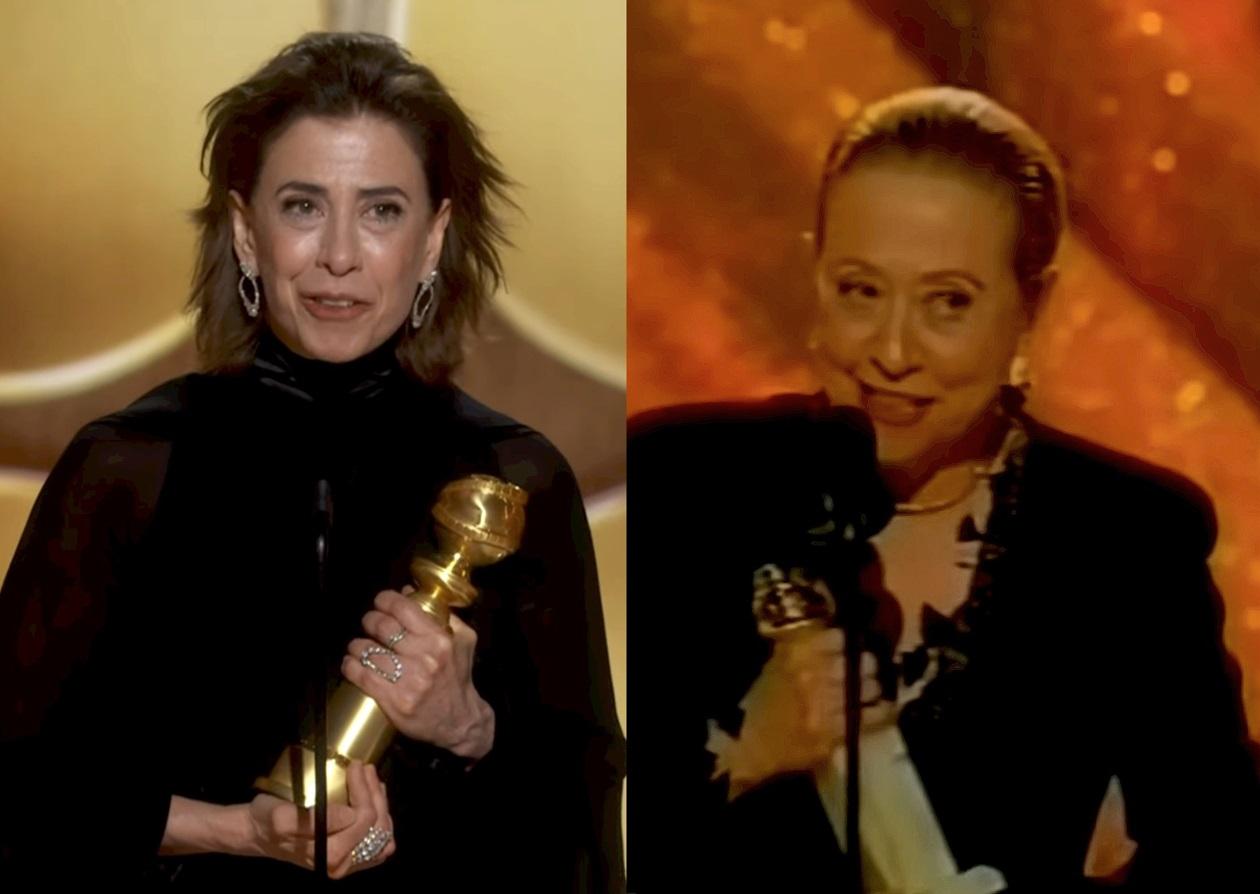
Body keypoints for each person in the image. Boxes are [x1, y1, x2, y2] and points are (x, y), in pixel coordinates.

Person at [0, 31, 625, 890]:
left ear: (434, 239)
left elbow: (584, 831)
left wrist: (468, 727)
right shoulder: (127, 470)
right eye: (302, 206)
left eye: (381, 211)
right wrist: (237, 832)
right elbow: (15, 792)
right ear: (244, 233)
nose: (338, 255)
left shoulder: (515, 481)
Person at [629, 86, 1260, 892]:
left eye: (948, 303)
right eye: (861, 290)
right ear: (817, 274)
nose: (892, 351)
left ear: (1031, 307)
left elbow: (1221, 854)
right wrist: (748, 750)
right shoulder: (675, 484)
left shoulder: (1128, 540)